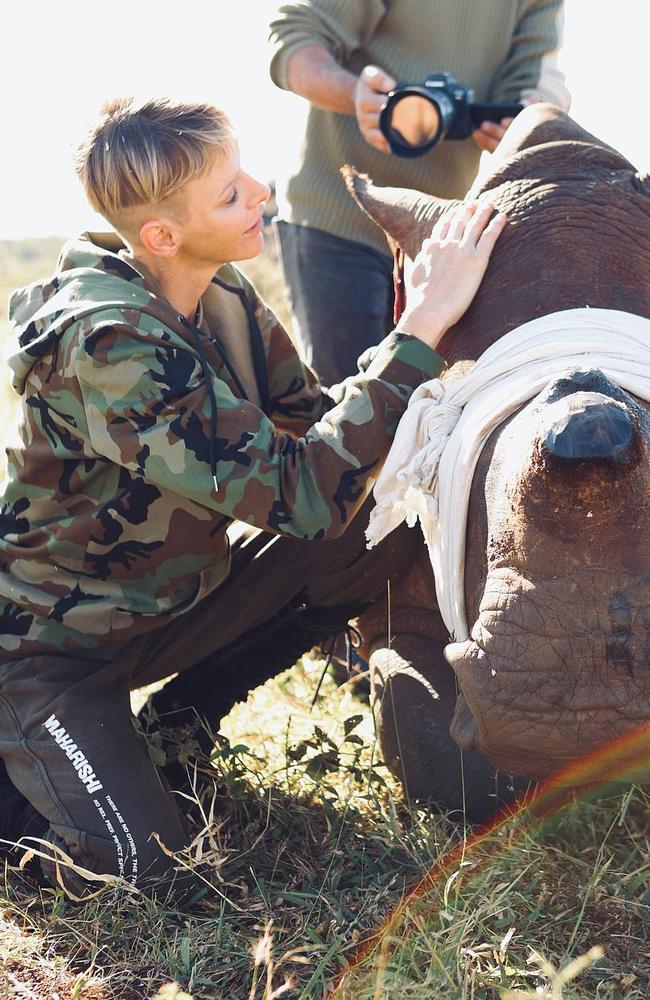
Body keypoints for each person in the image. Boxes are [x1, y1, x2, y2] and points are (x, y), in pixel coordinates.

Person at [0, 96, 506, 901]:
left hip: (169, 610)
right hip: (51, 657)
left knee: (377, 526)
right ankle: (31, 779)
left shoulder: (224, 295)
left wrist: (436, 349)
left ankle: (178, 729)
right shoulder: (109, 344)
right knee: (146, 876)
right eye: (231, 193)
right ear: (162, 236)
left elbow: (322, 442)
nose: (263, 192)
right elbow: (299, 496)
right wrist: (425, 327)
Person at [269, 0, 571, 384]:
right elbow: (294, 39)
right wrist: (358, 97)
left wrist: (523, 114)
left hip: (437, 237)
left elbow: (535, 80)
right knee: (344, 400)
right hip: (336, 216)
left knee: (422, 402)